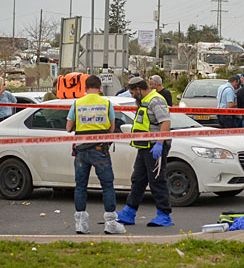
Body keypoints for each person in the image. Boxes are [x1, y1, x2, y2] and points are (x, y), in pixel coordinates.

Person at [65, 75, 125, 235]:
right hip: (100, 150)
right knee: (107, 186)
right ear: (99, 88)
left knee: (80, 186)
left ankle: (81, 224)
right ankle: (111, 224)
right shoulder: (106, 103)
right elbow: (112, 128)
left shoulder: (77, 103)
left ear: (85, 88)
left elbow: (68, 127)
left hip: (81, 151)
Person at [116, 76, 173, 227]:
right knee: (138, 180)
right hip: (144, 146)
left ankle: (164, 215)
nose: (132, 95)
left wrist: (160, 143)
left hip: (154, 146)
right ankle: (129, 212)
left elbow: (165, 122)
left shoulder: (156, 100)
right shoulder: (143, 101)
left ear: (139, 89)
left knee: (157, 180)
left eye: (133, 92)